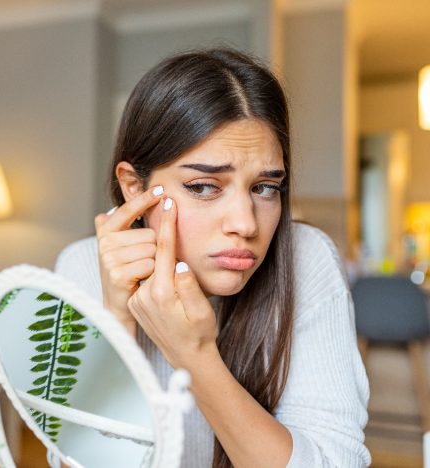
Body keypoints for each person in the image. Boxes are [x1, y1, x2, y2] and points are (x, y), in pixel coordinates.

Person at [55, 48, 370, 467]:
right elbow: (72, 462)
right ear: (133, 187)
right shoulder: (80, 268)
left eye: (264, 188)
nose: (246, 224)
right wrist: (115, 324)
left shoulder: (305, 259)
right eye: (204, 187)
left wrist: (194, 355)